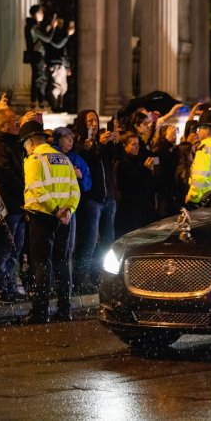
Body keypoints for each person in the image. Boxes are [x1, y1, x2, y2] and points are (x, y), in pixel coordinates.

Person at [19, 120, 80, 323]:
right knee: (62, 264)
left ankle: (40, 312)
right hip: (64, 220)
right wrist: (68, 211)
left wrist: (55, 210)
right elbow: (75, 190)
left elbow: (37, 189)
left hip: (43, 217)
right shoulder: (63, 158)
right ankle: (65, 310)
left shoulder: (34, 159)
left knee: (41, 265)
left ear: (30, 141)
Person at [72, 110, 117, 293]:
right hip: (92, 200)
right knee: (88, 242)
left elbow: (115, 157)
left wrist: (114, 141)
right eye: (90, 121)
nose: (94, 124)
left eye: (96, 120)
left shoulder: (102, 143)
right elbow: (85, 159)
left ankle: (102, 277)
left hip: (108, 199)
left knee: (107, 242)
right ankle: (81, 279)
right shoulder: (78, 144)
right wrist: (96, 145)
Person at [0, 109, 26, 303]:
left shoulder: (15, 145)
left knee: (14, 248)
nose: (18, 124)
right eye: (14, 121)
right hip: (8, 205)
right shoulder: (0, 146)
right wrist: (26, 189)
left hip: (18, 205)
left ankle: (8, 285)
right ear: (2, 126)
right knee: (4, 248)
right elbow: (7, 175)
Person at [53, 126, 91, 291]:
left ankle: (64, 287)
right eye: (67, 137)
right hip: (51, 207)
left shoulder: (76, 159)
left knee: (68, 247)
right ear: (58, 139)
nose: (70, 141)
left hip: (70, 209)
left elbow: (87, 184)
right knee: (53, 247)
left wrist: (80, 178)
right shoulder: (51, 156)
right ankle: (51, 284)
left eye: (72, 139)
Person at [24, 5, 74, 111]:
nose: (42, 15)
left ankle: (38, 102)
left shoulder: (34, 26)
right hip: (37, 55)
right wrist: (53, 27)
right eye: (41, 12)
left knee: (39, 79)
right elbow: (47, 39)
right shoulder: (34, 27)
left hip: (38, 55)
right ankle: (38, 102)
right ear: (36, 14)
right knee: (39, 79)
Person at [114, 133, 157, 237]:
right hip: (129, 211)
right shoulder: (122, 164)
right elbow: (131, 187)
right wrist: (146, 170)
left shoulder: (138, 161)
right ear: (125, 146)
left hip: (141, 209)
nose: (137, 147)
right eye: (133, 144)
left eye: (138, 144)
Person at [150, 124, 179, 218]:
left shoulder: (174, 148)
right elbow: (160, 162)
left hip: (172, 189)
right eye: (171, 133)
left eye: (175, 133)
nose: (174, 135)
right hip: (162, 190)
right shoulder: (159, 148)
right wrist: (167, 141)